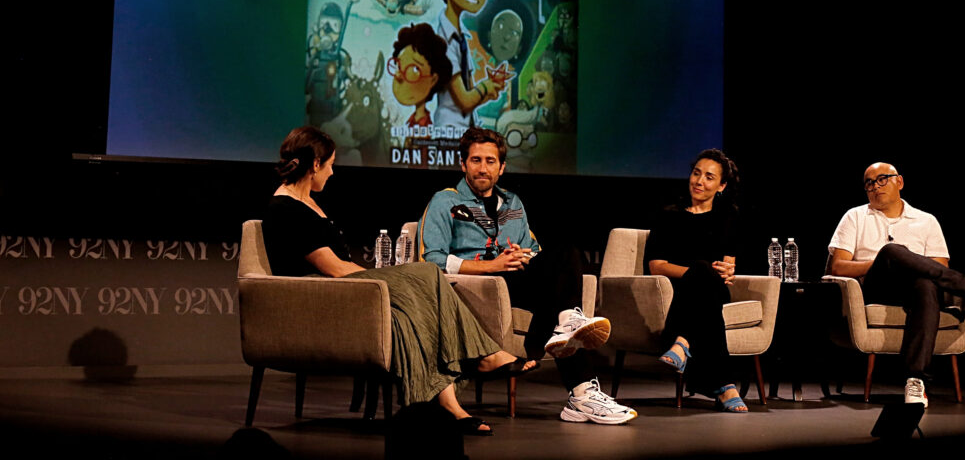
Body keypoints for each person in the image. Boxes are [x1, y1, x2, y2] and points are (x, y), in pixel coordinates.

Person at [261, 126, 534, 436]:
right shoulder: (285, 209)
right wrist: (382, 281)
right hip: (321, 299)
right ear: (314, 165)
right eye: (331, 164)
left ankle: (449, 407)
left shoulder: (306, 202)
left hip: (340, 290)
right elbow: (334, 269)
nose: (333, 172)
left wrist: (383, 282)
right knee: (428, 272)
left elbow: (339, 266)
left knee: (410, 317)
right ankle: (483, 356)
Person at [419, 127, 637, 425]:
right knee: (556, 295)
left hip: (518, 281)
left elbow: (533, 248)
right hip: (479, 287)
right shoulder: (445, 201)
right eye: (476, 160)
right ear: (463, 164)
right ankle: (582, 391)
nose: (483, 168)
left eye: (490, 161)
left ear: (502, 167)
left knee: (566, 251)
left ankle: (569, 333)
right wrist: (492, 266)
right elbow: (433, 259)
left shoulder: (513, 203)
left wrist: (525, 256)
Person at [827, 161, 965, 407]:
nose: (875, 186)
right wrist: (885, 260)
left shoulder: (926, 221)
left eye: (882, 179)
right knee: (893, 250)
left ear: (899, 182)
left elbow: (940, 269)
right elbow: (837, 267)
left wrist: (906, 264)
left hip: (915, 291)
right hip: (875, 288)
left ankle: (915, 381)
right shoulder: (855, 216)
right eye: (869, 183)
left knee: (926, 285)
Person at [644, 149, 750, 412]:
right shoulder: (669, 213)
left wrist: (727, 271)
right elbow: (656, 265)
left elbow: (729, 263)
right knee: (702, 270)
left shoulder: (729, 216)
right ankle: (725, 386)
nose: (699, 181)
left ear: (721, 186)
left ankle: (681, 341)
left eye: (709, 177)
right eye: (696, 173)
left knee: (707, 277)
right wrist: (696, 273)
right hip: (678, 289)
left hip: (714, 290)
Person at [423, 0, 505, 128]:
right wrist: (486, 88)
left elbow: (469, 95)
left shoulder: (460, 35)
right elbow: (464, 100)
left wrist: (489, 90)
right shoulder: (444, 40)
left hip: (464, 132)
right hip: (450, 133)